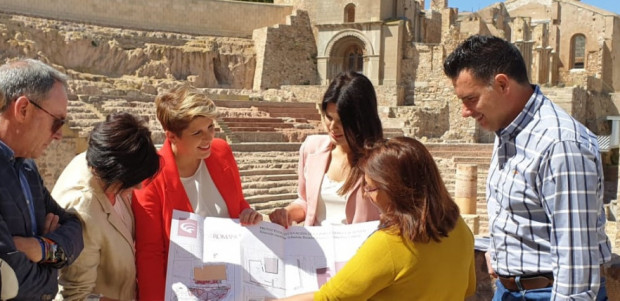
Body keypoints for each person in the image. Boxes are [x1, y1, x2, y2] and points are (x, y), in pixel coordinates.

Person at [443, 34, 612, 300]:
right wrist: (498, 252)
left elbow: (577, 261)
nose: (465, 111)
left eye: (470, 99)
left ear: (501, 84)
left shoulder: (560, 144)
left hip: (548, 293)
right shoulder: (509, 130)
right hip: (510, 291)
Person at [278, 137, 476, 300]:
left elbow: (329, 299)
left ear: (396, 191)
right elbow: (468, 289)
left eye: (371, 188)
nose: (365, 195)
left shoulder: (392, 243)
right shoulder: (461, 229)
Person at [132, 86, 263, 300]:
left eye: (211, 127)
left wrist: (248, 214)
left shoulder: (221, 151)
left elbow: (238, 204)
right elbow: (150, 254)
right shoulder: (150, 178)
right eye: (197, 133)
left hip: (231, 283)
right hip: (183, 290)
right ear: (172, 136)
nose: (208, 138)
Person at [52, 112, 160, 300]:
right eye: (132, 180)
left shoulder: (101, 166)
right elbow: (77, 296)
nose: (139, 187)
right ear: (115, 171)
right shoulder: (83, 207)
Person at [0, 58, 83, 299]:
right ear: (23, 109)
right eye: (57, 121)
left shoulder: (26, 168)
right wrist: (50, 279)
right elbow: (10, 281)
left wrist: (41, 248)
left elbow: (75, 230)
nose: (59, 135)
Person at [269, 71, 382, 227]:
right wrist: (287, 213)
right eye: (329, 117)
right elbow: (305, 202)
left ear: (362, 120)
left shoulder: (383, 159)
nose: (333, 127)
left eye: (342, 121)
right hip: (315, 249)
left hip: (362, 249)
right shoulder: (311, 148)